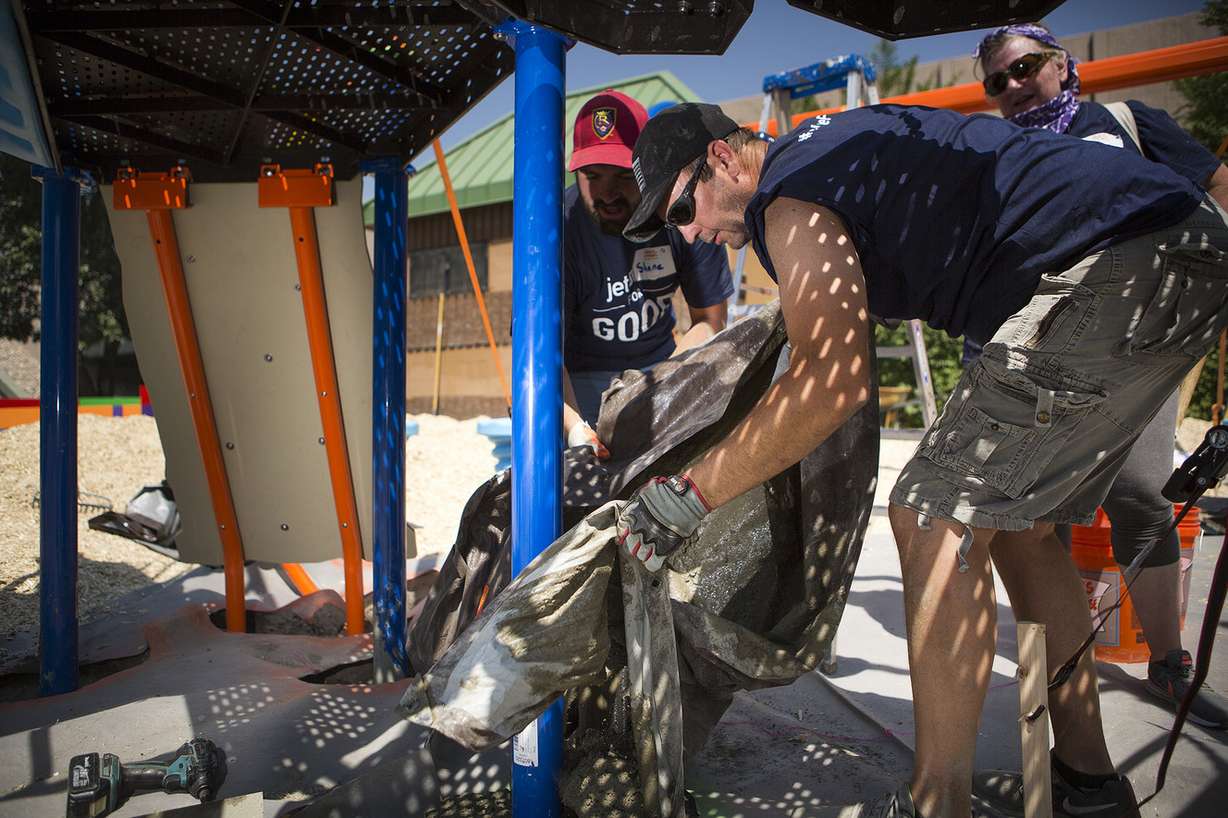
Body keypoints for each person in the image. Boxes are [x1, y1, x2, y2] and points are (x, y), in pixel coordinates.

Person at [613, 99, 1228, 818]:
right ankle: (1089, 780)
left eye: (681, 206)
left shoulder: (788, 188)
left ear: (722, 159)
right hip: (1179, 252)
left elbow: (830, 384)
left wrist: (685, 496)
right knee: (1021, 530)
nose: (687, 232)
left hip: (1118, 259)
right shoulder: (830, 154)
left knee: (934, 513)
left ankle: (937, 805)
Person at [961, 24, 1228, 811]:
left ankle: (1168, 663)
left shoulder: (1129, 126)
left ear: (1063, 64)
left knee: (1142, 496)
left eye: (1025, 68)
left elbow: (1215, 186)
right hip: (1027, 358)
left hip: (1127, 348)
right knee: (1024, 527)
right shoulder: (995, 157)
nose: (1012, 87)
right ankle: (1059, 741)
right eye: (996, 81)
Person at [561, 90, 733, 454]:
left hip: (661, 366)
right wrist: (576, 428)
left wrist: (660, 387)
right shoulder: (557, 229)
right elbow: (539, 355)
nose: (607, 194)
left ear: (645, 169)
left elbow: (710, 321)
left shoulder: (682, 208)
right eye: (592, 176)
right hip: (575, 381)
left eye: (623, 177)